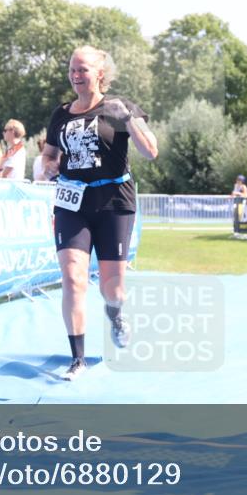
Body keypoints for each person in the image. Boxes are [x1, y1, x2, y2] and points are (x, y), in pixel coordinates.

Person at [40, 45, 158, 381]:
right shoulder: (61, 114)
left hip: (114, 203)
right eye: (72, 70)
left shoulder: (119, 108)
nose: (76, 76)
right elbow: (48, 156)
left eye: (83, 70)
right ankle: (77, 358)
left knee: (113, 289)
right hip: (72, 203)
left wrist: (129, 120)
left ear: (100, 74)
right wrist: (49, 167)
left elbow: (150, 152)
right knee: (73, 279)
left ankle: (116, 314)